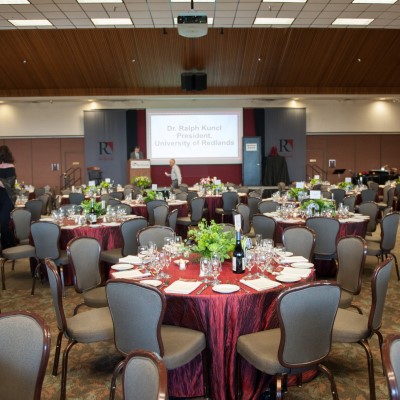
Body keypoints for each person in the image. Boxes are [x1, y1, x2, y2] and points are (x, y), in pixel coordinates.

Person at [0, 145, 17, 249]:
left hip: (7, 198)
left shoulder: (11, 167)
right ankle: (5, 249)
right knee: (2, 224)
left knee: (3, 222)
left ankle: (12, 246)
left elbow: (9, 184)